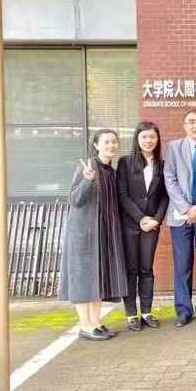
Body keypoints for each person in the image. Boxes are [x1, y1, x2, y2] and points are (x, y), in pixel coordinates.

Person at [58, 129, 128, 341]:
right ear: (96, 145)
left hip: (104, 234)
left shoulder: (112, 172)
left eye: (114, 142)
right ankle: (86, 326)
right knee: (82, 278)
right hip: (84, 234)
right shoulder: (87, 167)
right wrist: (87, 181)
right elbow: (74, 199)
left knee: (98, 279)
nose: (111, 145)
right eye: (106, 142)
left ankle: (96, 323)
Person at [164, 109, 196, 328]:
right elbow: (170, 178)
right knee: (182, 264)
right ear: (184, 125)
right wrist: (187, 209)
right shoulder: (173, 147)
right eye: (191, 122)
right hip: (180, 215)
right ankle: (183, 310)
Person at [116, 121, 169, 331]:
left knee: (146, 269)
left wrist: (156, 219)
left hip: (152, 226)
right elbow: (122, 194)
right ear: (137, 139)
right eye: (144, 136)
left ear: (157, 139)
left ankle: (146, 312)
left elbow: (165, 196)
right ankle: (131, 314)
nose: (148, 140)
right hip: (130, 225)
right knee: (131, 269)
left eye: (152, 137)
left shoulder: (162, 165)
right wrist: (141, 218)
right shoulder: (125, 163)